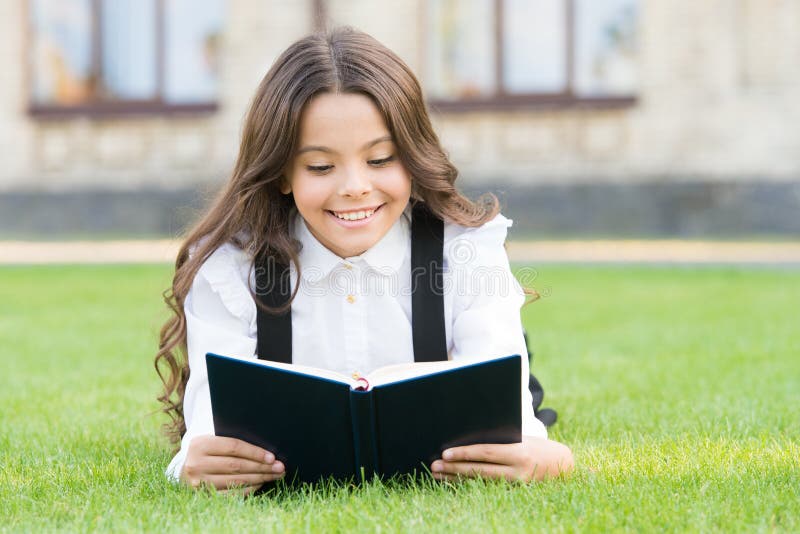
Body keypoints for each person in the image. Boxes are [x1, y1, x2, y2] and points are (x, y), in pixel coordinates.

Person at [155, 27, 573, 495]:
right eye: (320, 166)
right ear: (282, 174)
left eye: (380, 159)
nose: (354, 186)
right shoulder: (229, 265)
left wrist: (546, 456)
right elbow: (208, 429)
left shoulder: (466, 250)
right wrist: (196, 462)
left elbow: (521, 435)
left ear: (412, 160)